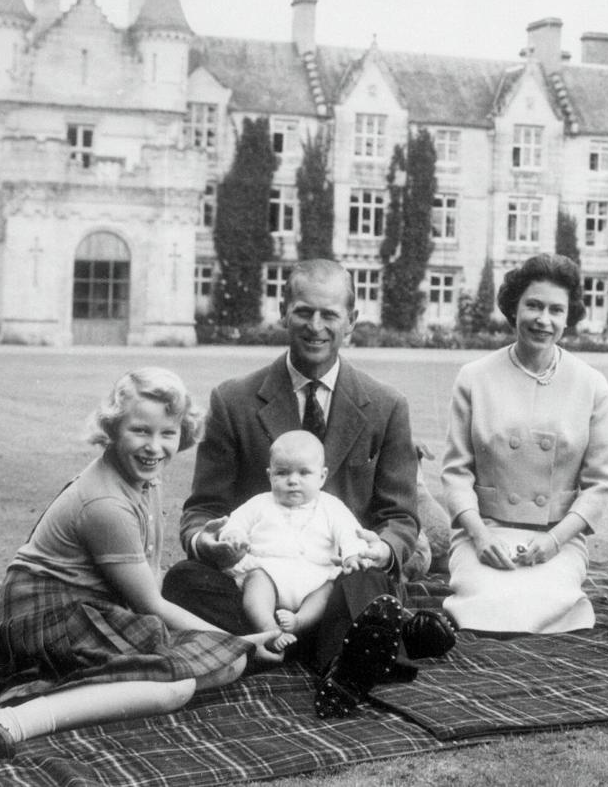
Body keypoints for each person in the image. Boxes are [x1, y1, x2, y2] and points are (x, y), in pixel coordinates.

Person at [0, 368, 283, 760]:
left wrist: (225, 647)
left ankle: (78, 685)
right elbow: (151, 605)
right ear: (112, 428)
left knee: (223, 665)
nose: (154, 447)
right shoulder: (105, 503)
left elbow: (150, 574)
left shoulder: (145, 478)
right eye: (140, 431)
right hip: (44, 614)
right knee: (177, 685)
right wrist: (238, 640)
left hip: (89, 610)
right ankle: (10, 720)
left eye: (167, 433)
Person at [161, 259, 456, 718]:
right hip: (254, 580)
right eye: (303, 312)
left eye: (329, 315)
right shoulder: (233, 400)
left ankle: (298, 648)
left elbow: (400, 517)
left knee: (372, 581)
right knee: (183, 581)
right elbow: (202, 510)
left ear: (352, 322)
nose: (315, 326)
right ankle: (358, 648)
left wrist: (382, 549)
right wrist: (209, 541)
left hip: (339, 580)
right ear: (283, 312)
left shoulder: (386, 405)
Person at [441, 253, 608, 633]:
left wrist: (555, 541)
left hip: (556, 537)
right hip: (486, 531)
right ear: (513, 308)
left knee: (545, 607)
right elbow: (456, 473)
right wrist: (480, 535)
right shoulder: (474, 378)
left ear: (569, 317)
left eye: (556, 309)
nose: (543, 319)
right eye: (533, 305)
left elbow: (600, 484)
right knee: (488, 604)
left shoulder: (591, 384)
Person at [219, 430, 367, 653]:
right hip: (269, 571)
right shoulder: (260, 503)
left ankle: (299, 622)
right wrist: (234, 535)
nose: (293, 481)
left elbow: (350, 532)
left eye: (304, 473)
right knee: (256, 583)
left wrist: (352, 554)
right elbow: (236, 522)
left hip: (314, 575)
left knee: (326, 591)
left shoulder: (331, 506)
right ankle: (268, 629)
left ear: (322, 476)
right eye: (282, 473)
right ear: (270, 475)